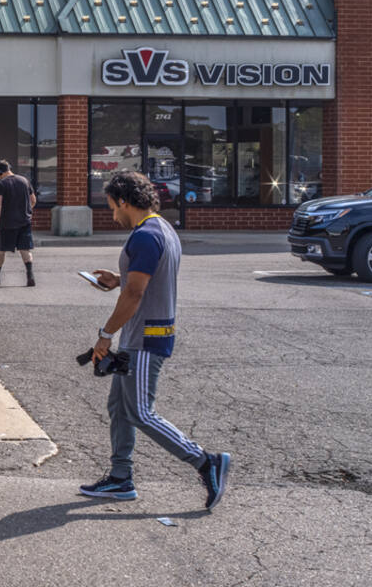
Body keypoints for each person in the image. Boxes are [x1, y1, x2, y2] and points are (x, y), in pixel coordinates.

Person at [79, 170, 232, 510]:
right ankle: (121, 479)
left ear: (123, 200)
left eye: (111, 207)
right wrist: (118, 279)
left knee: (140, 413)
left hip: (146, 339)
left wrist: (105, 336)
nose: (112, 214)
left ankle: (207, 462)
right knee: (119, 407)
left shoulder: (145, 235)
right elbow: (142, 280)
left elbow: (136, 294)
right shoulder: (161, 228)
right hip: (143, 335)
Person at [0, 159, 36, 286]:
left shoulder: (1, 184)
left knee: (1, 250)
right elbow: (33, 200)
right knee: (25, 249)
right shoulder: (24, 181)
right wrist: (26, 211)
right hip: (25, 221)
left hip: (7, 223)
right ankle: (30, 276)